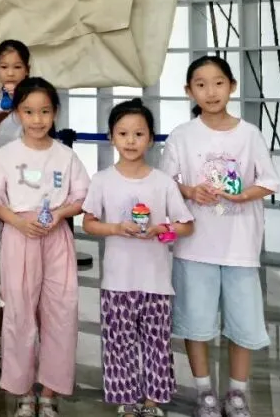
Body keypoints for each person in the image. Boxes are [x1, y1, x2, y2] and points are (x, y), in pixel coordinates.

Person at [160, 56, 279, 417]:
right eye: (201, 84)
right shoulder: (182, 135)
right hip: (194, 246)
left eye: (218, 83)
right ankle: (205, 393)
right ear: (189, 91)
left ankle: (237, 393)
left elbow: (268, 181)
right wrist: (190, 191)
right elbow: (165, 184)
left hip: (240, 247)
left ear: (231, 86)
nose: (210, 92)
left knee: (243, 323)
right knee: (196, 323)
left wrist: (244, 195)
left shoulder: (249, 134)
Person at [0, 77, 90, 417]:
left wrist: (60, 214)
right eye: (29, 111)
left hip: (56, 238)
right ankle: (24, 392)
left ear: (55, 112)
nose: (37, 119)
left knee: (60, 313)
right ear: (17, 113)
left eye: (45, 111)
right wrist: (17, 223)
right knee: (19, 314)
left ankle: (49, 393)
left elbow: (82, 197)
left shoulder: (66, 156)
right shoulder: (5, 155)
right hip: (19, 237)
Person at [82, 99, 194, 417]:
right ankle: (127, 400)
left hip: (156, 282)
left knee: (157, 343)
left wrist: (161, 230)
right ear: (111, 137)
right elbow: (89, 223)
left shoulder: (163, 182)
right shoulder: (102, 180)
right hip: (117, 281)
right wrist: (116, 228)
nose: (130, 141)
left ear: (150, 138)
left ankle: (153, 402)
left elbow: (186, 226)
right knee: (119, 343)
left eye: (139, 134)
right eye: (123, 133)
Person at [0, 40, 30, 148]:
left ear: (27, 70)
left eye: (17, 67)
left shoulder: (34, 104)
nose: (10, 73)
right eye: (4, 67)